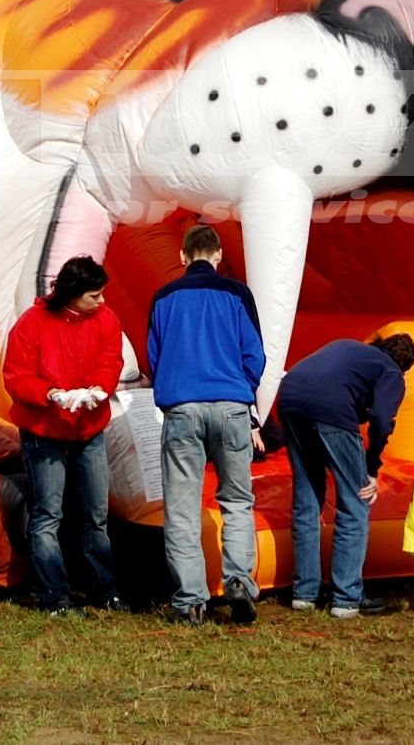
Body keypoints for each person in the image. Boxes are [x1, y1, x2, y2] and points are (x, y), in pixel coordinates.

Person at [146, 224, 265, 626]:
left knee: (181, 509)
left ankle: (191, 600)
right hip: (231, 405)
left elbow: (154, 358)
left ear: (182, 257)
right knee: (236, 500)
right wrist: (242, 390)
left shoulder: (163, 298)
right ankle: (238, 581)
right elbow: (255, 354)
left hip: (181, 406)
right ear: (218, 255)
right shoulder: (237, 294)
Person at [1, 255, 125, 614]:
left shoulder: (106, 319)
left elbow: (110, 359)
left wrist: (99, 389)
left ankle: (103, 588)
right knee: (48, 513)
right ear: (72, 295)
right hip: (44, 429)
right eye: (94, 296)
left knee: (96, 512)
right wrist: (50, 394)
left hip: (89, 428)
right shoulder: (32, 324)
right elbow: (17, 376)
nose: (101, 302)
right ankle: (53, 594)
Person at [277, 333, 414, 618]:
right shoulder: (391, 372)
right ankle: (347, 597)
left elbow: (340, 386)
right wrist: (371, 466)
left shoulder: (345, 346)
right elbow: (381, 418)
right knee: (355, 503)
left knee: (306, 501)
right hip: (331, 410)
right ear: (404, 365)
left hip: (290, 401)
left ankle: (304, 593)